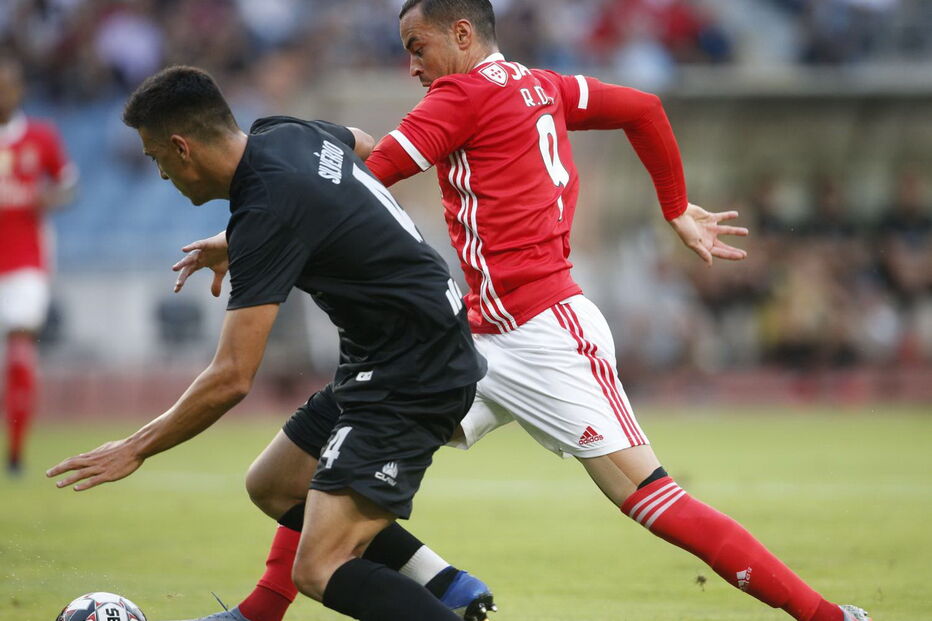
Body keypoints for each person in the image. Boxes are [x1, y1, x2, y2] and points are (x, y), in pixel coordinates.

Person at [204, 2, 876, 621]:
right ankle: (302, 604)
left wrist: (247, 237)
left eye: (419, 46)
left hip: (548, 336)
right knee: (322, 452)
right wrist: (674, 206)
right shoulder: (544, 85)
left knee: (653, 502)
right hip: (475, 333)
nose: (412, 64)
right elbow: (642, 107)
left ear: (462, 34)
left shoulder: (459, 94)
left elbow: (362, 176)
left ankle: (829, 616)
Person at [46, 65, 490, 621]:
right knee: (275, 485)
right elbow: (364, 146)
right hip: (394, 352)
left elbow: (232, 377)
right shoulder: (283, 133)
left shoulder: (264, 212)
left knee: (318, 569)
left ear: (182, 149)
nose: (161, 176)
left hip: (413, 372)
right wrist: (294, 228)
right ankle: (445, 584)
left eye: (157, 158)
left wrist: (135, 447)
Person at [0, 56, 77, 476]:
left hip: (25, 261)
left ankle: (15, 451)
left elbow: (69, 186)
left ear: (19, 90)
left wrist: (49, 199)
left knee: (19, 350)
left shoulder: (40, 137)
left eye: (7, 86)